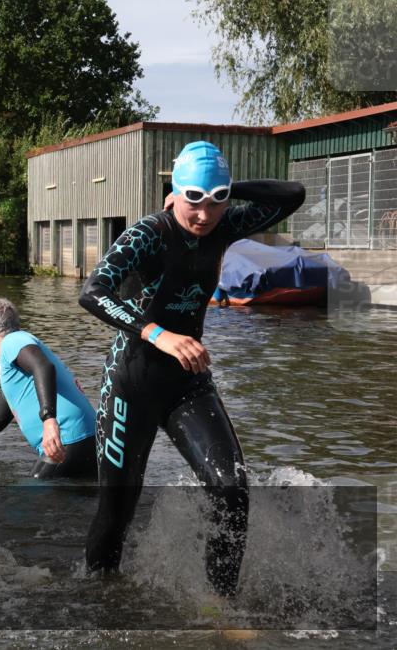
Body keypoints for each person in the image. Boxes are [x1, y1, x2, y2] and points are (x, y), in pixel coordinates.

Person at [78, 141, 306, 597]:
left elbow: (292, 194)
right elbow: (93, 291)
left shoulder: (223, 225)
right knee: (117, 510)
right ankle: (98, 602)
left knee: (231, 491)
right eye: (192, 200)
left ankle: (218, 610)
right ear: (173, 195)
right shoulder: (149, 233)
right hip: (132, 382)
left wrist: (220, 187)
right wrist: (157, 333)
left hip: (187, 384)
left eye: (215, 201)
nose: (204, 215)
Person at [0, 298, 97, 479]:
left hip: (69, 436)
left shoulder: (13, 341)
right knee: (71, 503)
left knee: (28, 501)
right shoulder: (15, 367)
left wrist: (49, 420)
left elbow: (43, 367)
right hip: (85, 436)